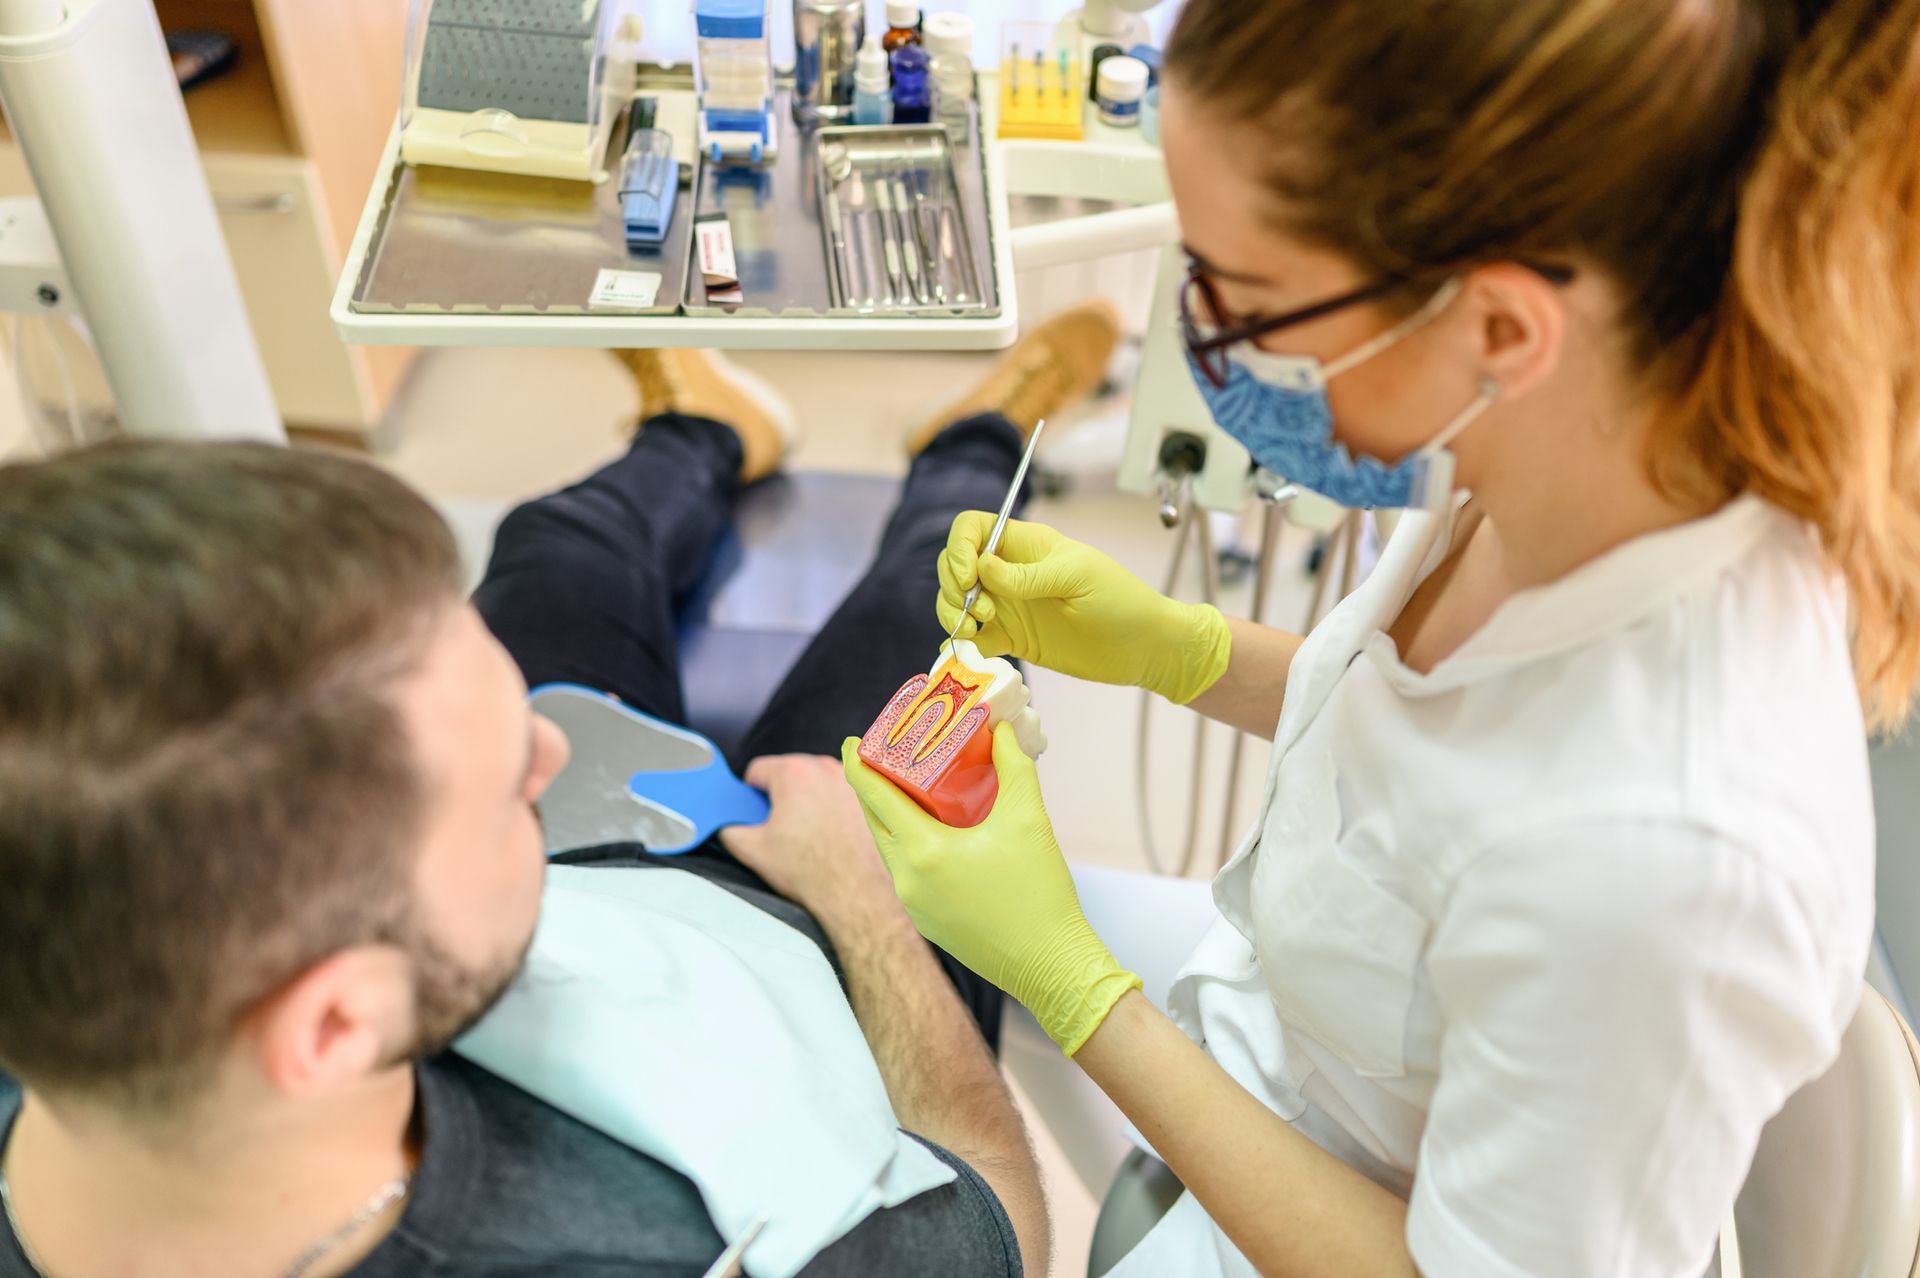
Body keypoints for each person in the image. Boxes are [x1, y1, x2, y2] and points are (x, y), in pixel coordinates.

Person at [821, 2, 1918, 1276]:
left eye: (1247, 300)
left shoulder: (1669, 860)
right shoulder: (1557, 444)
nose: (1205, 341)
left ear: (1501, 327)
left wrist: (1073, 985)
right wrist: (1178, 648)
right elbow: (1446, 761)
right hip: (1303, 1025)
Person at [0, 302, 1120, 1278]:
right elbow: (1003, 1232)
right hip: (828, 942)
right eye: (500, 788)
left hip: (585, 892)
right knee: (948, 595)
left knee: (559, 546)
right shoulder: (684, 1247)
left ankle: (701, 433)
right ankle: (976, 447)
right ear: (339, 1025)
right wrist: (869, 911)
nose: (553, 745)